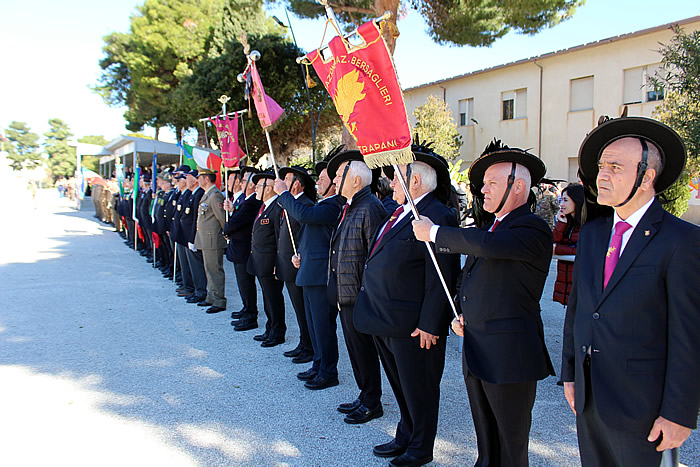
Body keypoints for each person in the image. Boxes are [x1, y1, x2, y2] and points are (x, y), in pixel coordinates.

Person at [561, 116, 700, 466]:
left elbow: (689, 335)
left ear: (646, 176)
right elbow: (578, 310)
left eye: (614, 166)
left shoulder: (681, 241)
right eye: (599, 166)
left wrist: (680, 414)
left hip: (644, 410)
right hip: (590, 399)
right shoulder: (593, 233)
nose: (601, 175)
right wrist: (571, 373)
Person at [413, 140, 555, 466]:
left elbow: (488, 246)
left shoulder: (530, 227)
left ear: (518, 186)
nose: (482, 190)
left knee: (510, 443)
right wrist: (461, 313)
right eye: (483, 184)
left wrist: (435, 233)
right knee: (487, 441)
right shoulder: (492, 227)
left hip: (509, 356)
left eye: (491, 183)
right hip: (477, 347)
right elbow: (471, 276)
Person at [355, 145, 460, 467]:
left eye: (396, 179)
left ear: (414, 180)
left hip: (414, 325)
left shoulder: (437, 216)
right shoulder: (401, 211)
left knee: (420, 389)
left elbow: (441, 276)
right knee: (401, 386)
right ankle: (405, 433)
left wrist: (430, 323)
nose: (391, 185)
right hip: (387, 320)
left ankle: (420, 447)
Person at [274, 148, 344, 390]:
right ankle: (318, 364)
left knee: (323, 325)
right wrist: (300, 255)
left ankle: (328, 371)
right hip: (309, 270)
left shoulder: (334, 204)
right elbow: (311, 234)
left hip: (321, 275)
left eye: (324, 179)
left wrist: (283, 194)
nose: (320, 182)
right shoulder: (322, 204)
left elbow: (305, 216)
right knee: (314, 324)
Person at [327, 150, 386, 424]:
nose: (334, 179)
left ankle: (372, 401)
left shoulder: (370, 207)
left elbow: (375, 257)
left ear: (356, 180)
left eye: (339, 175)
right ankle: (364, 395)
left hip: (359, 295)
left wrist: (367, 295)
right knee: (354, 348)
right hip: (346, 292)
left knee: (363, 349)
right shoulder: (349, 205)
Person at [274, 165, 316, 364]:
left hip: (299, 266)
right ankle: (303, 343)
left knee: (303, 310)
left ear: (297, 184)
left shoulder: (304, 204)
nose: (282, 181)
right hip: (288, 265)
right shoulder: (288, 203)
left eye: (287, 178)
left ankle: (309, 347)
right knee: (298, 310)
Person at [247, 169, 286, 348]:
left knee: (274, 298)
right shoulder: (264, 206)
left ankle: (277, 332)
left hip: (270, 264)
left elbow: (280, 239)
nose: (254, 189)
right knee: (267, 298)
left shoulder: (277, 207)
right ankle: (270, 327)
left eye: (259, 186)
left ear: (270, 188)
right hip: (260, 262)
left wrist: (278, 264)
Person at [224, 166, 261, 331]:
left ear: (252, 185)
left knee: (246, 284)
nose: (241, 183)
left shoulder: (252, 202)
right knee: (242, 283)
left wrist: (227, 226)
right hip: (238, 248)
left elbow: (234, 223)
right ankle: (246, 309)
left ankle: (250, 315)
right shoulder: (245, 200)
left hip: (244, 250)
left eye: (245, 181)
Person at [194, 168, 228, 314]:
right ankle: (211, 297)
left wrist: (225, 236)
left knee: (215, 270)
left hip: (213, 239)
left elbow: (222, 218)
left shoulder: (215, 196)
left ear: (206, 178)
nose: (198, 179)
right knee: (209, 269)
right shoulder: (207, 195)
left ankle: (219, 300)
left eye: (199, 177)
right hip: (206, 239)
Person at [552, 183, 584, 306]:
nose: (561, 205)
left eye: (565, 200)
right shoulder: (567, 223)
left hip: (580, 285)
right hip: (566, 287)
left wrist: (558, 249)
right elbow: (552, 243)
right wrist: (561, 224)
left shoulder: (587, 226)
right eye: (561, 200)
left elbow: (583, 251)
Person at [180, 169, 208, 304]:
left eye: (188, 177)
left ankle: (201, 291)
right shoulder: (193, 194)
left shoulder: (199, 195)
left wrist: (192, 238)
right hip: (188, 236)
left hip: (194, 236)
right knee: (192, 265)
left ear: (195, 180)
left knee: (197, 266)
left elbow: (195, 220)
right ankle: (197, 290)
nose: (186, 181)